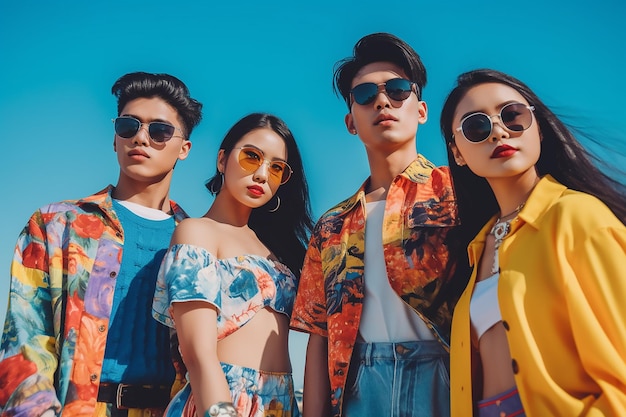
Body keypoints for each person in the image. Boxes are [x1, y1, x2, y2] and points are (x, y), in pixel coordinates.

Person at [0, 71, 203, 417]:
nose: (140, 137)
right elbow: (25, 342)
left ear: (184, 148)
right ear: (114, 138)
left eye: (159, 131)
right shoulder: (56, 224)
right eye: (128, 125)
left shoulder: (198, 242)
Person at [290, 32, 460, 417]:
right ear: (351, 121)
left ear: (421, 110)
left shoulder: (458, 193)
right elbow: (319, 334)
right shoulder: (331, 225)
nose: (382, 100)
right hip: (358, 387)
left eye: (399, 89)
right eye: (365, 94)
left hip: (448, 376)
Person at [440, 68, 626, 416]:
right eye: (476, 127)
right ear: (458, 153)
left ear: (538, 127)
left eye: (513, 116)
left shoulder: (577, 216)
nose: (498, 131)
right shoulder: (476, 248)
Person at [152, 113, 314, 417]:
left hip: (281, 404)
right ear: (223, 160)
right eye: (252, 157)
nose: (263, 174)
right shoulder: (197, 232)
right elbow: (198, 354)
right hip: (221, 400)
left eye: (276, 167)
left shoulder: (276, 249)